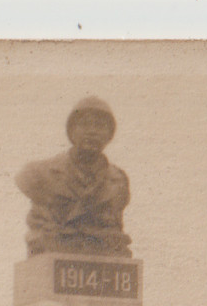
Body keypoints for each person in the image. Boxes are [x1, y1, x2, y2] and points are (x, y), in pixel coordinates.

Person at [16, 96, 132, 257]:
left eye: (99, 126)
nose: (92, 131)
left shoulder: (119, 181)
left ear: (109, 134)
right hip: (55, 247)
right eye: (84, 124)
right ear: (71, 131)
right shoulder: (38, 173)